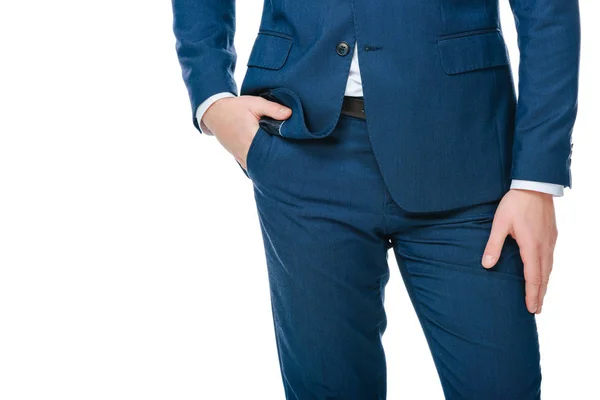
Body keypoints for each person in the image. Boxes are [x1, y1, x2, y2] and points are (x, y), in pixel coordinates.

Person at [171, 0, 580, 398]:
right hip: (301, 145)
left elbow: (548, 9)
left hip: (466, 149)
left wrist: (535, 180)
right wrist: (212, 98)